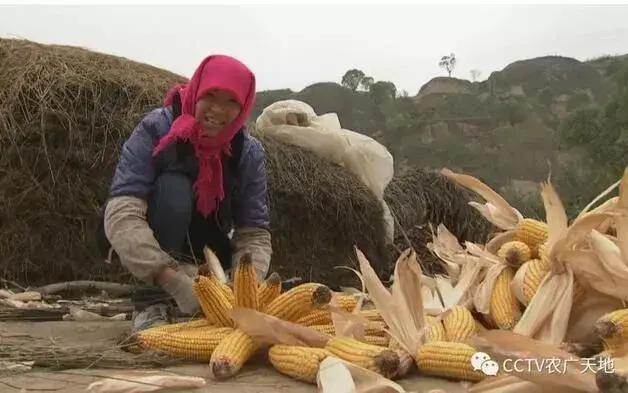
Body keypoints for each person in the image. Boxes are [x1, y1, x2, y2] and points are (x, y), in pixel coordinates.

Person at [98, 54, 272, 331]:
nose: (217, 109)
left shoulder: (248, 153)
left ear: (243, 107)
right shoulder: (155, 128)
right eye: (210, 95)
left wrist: (247, 285)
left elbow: (254, 232)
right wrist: (172, 279)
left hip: (208, 249)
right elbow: (122, 212)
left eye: (231, 102)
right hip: (157, 242)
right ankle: (151, 302)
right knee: (174, 190)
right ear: (196, 92)